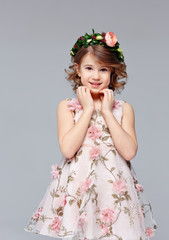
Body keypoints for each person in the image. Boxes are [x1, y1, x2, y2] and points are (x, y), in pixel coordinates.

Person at [24, 29, 157, 240]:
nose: (95, 76)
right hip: (79, 187)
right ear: (78, 70)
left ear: (113, 72)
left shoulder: (124, 108)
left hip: (112, 187)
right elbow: (68, 149)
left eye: (103, 69)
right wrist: (87, 110)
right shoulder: (67, 107)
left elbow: (129, 151)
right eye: (89, 68)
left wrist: (106, 111)